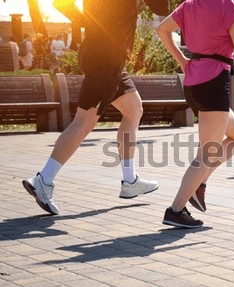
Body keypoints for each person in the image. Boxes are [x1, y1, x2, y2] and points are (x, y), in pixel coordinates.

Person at [22, 0, 170, 215]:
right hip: (106, 60)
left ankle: (130, 180)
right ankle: (43, 180)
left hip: (105, 55)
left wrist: (91, 24)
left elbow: (60, 4)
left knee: (133, 109)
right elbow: (161, 8)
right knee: (84, 122)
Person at [156, 0, 234, 228]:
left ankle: (199, 183)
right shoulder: (231, 6)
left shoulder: (189, 4)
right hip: (213, 82)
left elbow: (162, 29)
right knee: (207, 153)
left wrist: (183, 61)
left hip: (194, 82)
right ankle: (175, 210)